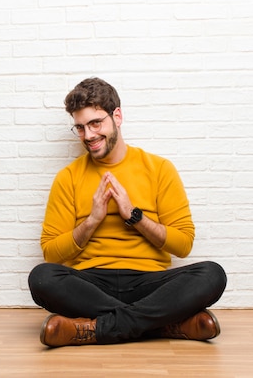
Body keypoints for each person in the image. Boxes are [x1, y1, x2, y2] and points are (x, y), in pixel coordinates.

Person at [28, 77, 227, 347]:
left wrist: (135, 216)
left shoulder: (158, 169)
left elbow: (183, 245)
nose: (88, 136)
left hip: (149, 282)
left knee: (212, 274)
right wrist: (92, 221)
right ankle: (164, 324)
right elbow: (51, 253)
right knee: (41, 278)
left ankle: (90, 329)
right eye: (80, 127)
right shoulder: (68, 178)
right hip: (92, 283)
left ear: (117, 116)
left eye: (96, 123)